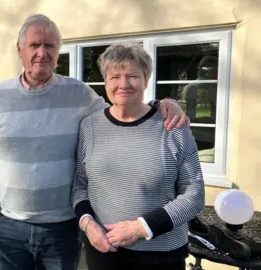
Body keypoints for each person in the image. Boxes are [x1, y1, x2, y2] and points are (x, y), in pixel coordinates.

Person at [0, 14, 188, 270]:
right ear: (20, 50)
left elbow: (122, 109)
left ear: (58, 51)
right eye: (34, 45)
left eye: (49, 46)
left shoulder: (79, 94)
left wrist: (161, 104)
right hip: (8, 227)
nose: (42, 53)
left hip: (62, 229)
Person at [71, 43, 205, 270]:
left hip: (161, 256)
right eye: (114, 77)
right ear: (105, 82)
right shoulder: (89, 127)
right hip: (103, 252)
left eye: (132, 76)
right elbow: (80, 185)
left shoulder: (172, 126)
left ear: (146, 79)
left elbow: (194, 195)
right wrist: (87, 224)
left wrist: (141, 228)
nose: (123, 84)